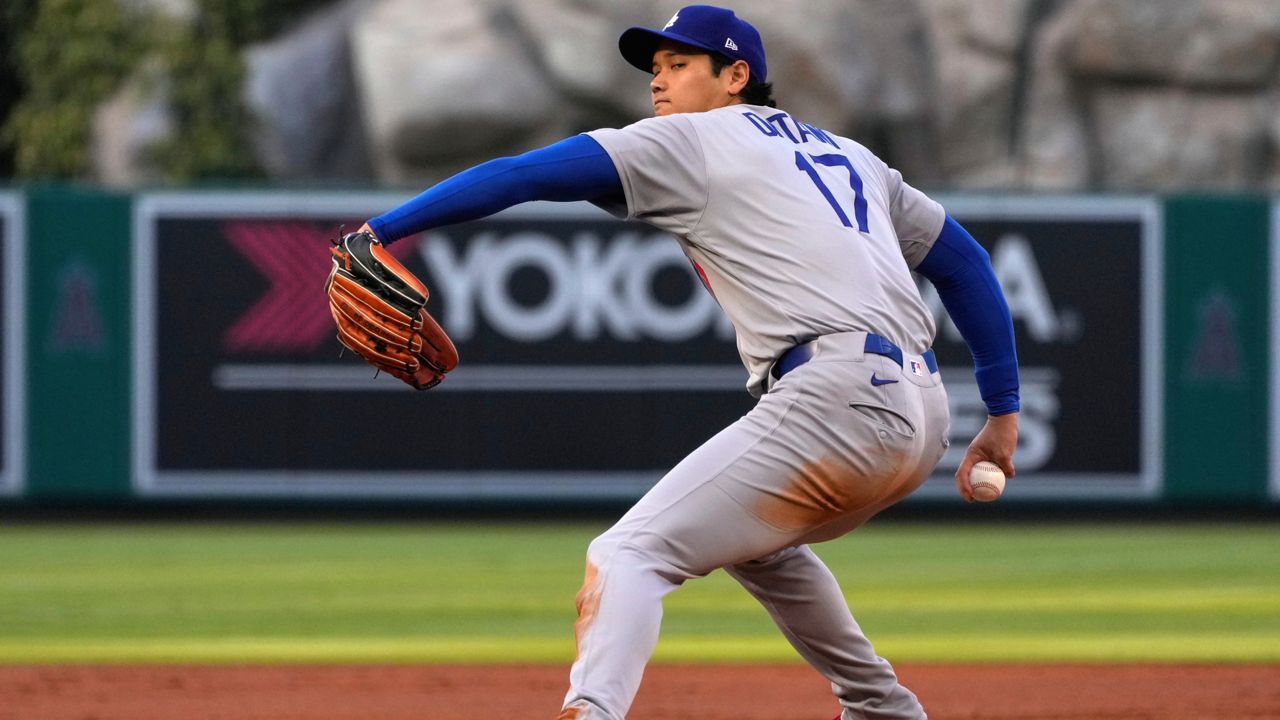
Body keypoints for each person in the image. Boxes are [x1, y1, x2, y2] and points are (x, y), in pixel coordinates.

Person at [355, 5, 1019, 719]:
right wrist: (1004, 414)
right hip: (921, 410)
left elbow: (526, 173)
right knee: (759, 547)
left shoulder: (691, 141)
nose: (658, 84)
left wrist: (383, 230)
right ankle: (883, 708)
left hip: (839, 398)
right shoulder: (851, 156)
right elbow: (966, 264)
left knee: (629, 555)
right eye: (655, 69)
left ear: (736, 76)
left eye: (679, 65)